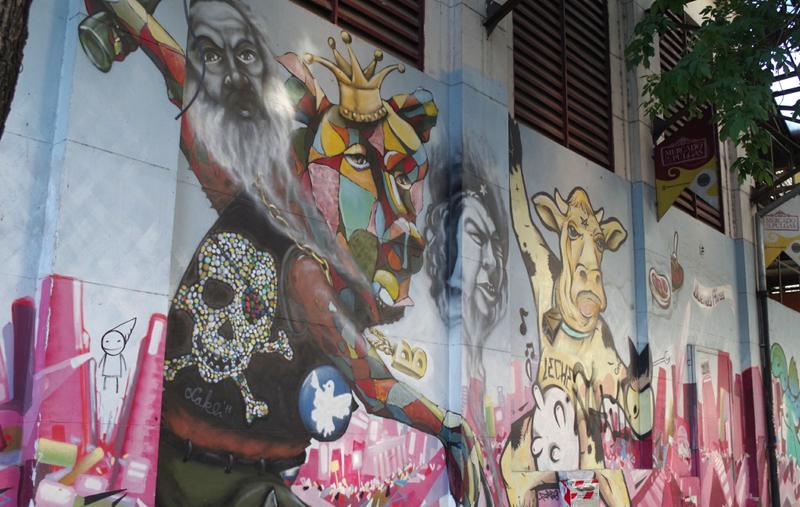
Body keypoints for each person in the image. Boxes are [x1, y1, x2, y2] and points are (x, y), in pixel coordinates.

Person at [154, 2, 486, 506]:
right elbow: (374, 386)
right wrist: (446, 426)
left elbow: (184, 87)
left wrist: (136, 24)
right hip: (232, 482)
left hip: (200, 471)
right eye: (358, 166)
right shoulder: (306, 275)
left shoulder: (248, 207)